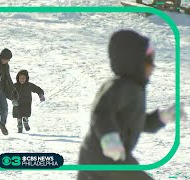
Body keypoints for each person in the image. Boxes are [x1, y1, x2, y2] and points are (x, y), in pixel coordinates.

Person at [77, 30, 187, 180]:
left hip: (112, 159)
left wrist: (162, 117)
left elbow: (135, 122)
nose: (153, 67)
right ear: (133, 62)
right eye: (149, 61)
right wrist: (109, 138)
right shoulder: (118, 86)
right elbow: (101, 113)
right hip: (100, 158)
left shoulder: (135, 88)